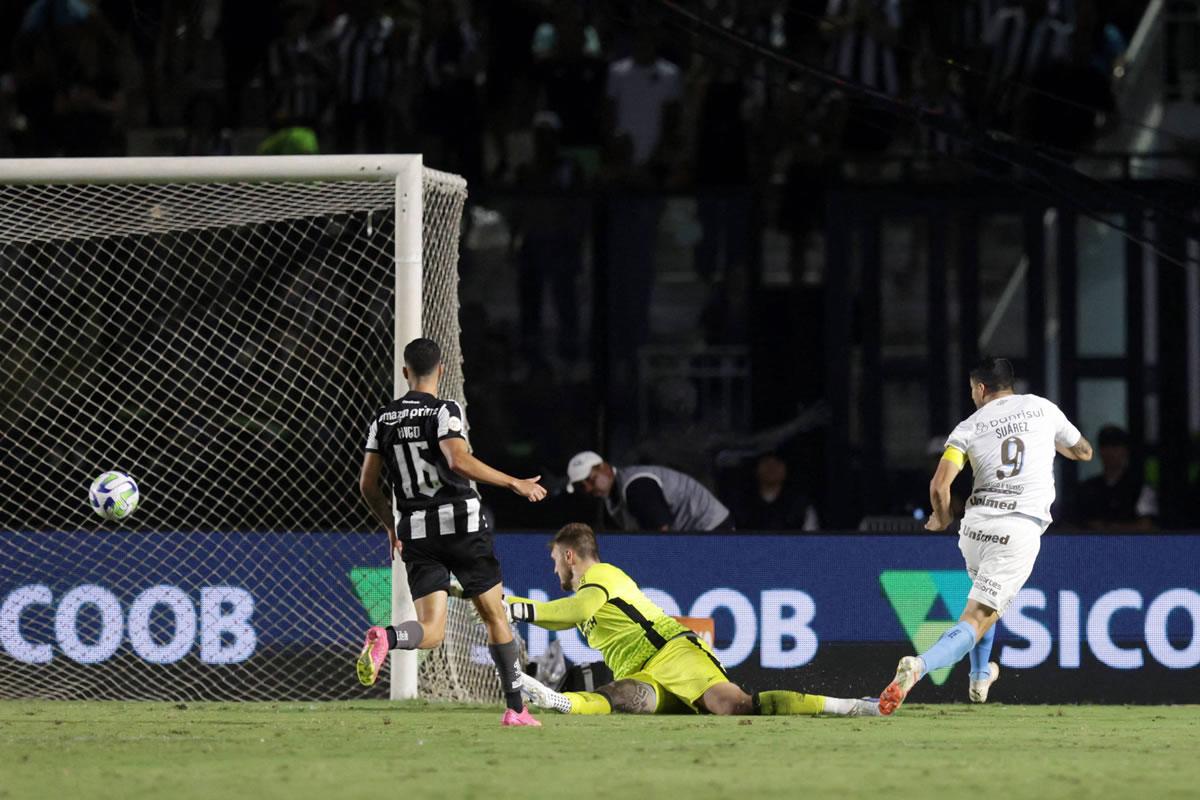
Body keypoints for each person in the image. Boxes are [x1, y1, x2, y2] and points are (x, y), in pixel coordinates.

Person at [877, 357, 1093, 714]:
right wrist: (1050, 444)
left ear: (980, 389)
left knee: (983, 602)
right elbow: (1084, 451)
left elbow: (940, 486)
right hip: (1018, 527)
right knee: (978, 616)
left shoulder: (967, 427)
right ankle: (919, 667)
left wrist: (941, 518)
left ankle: (979, 678)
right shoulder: (1043, 408)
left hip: (975, 529)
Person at [356, 338, 549, 727]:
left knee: (431, 630)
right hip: (461, 526)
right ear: (441, 370)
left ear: (405, 372)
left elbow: (367, 485)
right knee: (496, 617)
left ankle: (388, 638)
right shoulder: (444, 410)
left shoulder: (382, 419)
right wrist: (514, 483)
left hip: (416, 532)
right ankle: (515, 709)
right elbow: (457, 460)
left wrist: (391, 527)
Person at [506, 523, 878, 717]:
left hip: (673, 655)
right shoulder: (587, 591)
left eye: (555, 560)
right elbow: (562, 619)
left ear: (570, 555)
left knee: (735, 708)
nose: (553, 570)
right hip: (642, 672)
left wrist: (512, 607)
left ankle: (848, 706)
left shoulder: (601, 576)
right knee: (620, 698)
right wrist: (496, 601)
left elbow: (573, 612)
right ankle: (563, 702)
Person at [565, 451, 733, 531]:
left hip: (714, 531)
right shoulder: (614, 498)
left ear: (605, 468)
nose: (587, 488)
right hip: (695, 535)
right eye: (581, 485)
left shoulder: (636, 488)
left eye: (590, 479)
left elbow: (660, 536)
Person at [1072, 425, 1157, 531]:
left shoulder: (1140, 488)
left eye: (1115, 446)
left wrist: (1111, 528)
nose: (1110, 452)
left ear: (1125, 450)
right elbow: (1073, 524)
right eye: (1105, 446)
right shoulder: (1087, 488)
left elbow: (1146, 526)